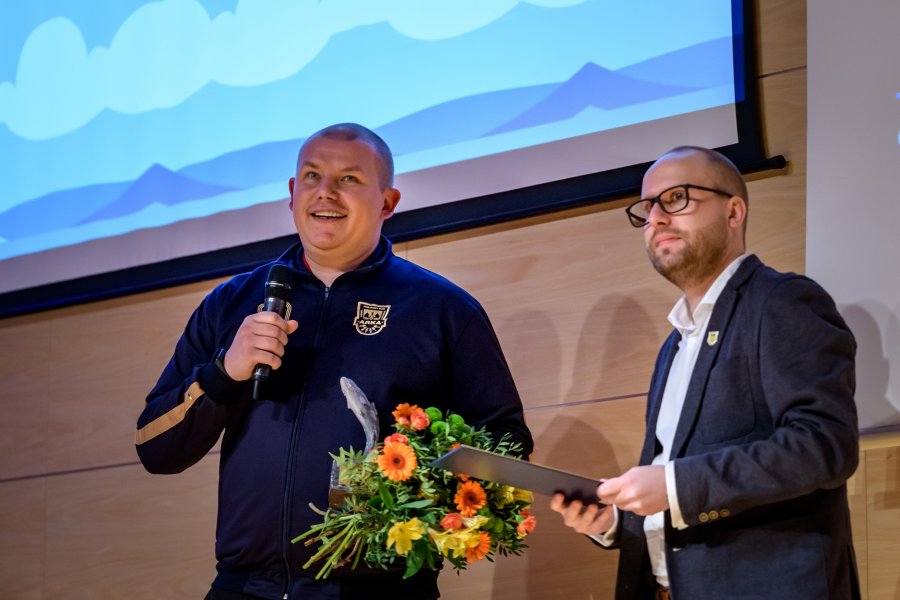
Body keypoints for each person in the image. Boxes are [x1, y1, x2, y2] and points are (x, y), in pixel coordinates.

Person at [135, 123, 533, 600]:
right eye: (311, 176)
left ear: (387, 202)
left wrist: (410, 480)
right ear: (291, 192)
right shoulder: (231, 303)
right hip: (244, 588)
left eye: (349, 179)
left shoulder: (442, 309)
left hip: (380, 591)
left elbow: (507, 449)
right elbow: (156, 449)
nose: (325, 193)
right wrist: (225, 372)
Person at [550, 146, 860, 599]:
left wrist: (675, 485)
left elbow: (824, 446)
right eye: (647, 207)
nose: (656, 217)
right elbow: (673, 486)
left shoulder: (783, 302)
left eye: (676, 198)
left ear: (734, 211)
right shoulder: (673, 345)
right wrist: (617, 522)